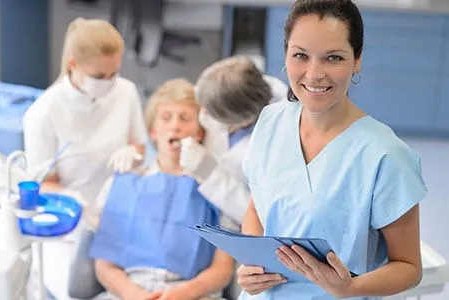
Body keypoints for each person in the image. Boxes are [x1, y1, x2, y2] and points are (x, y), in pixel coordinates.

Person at [236, 0, 426, 299]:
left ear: (357, 59)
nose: (314, 73)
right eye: (301, 55)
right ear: (286, 55)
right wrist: (252, 265)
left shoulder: (385, 155)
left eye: (333, 58)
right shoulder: (271, 121)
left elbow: (409, 267)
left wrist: (351, 287)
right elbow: (256, 207)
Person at [22, 18, 148, 300]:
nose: (109, 83)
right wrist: (80, 204)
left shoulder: (124, 91)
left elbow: (139, 148)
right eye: (99, 76)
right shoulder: (43, 113)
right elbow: (45, 184)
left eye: (114, 73)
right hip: (71, 224)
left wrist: (133, 154)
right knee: (73, 291)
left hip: (122, 212)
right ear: (72, 65)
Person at [89, 78, 234, 300]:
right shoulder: (124, 185)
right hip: (129, 291)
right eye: (166, 118)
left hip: (192, 293)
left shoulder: (216, 189)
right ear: (153, 131)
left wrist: (183, 293)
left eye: (185, 118)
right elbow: (105, 263)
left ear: (200, 132)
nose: (175, 125)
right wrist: (133, 294)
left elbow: (222, 269)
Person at [180, 56, 288, 226]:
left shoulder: (276, 150)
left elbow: (259, 216)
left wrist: (209, 173)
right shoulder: (248, 88)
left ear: (243, 122)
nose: (203, 115)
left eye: (209, 112)